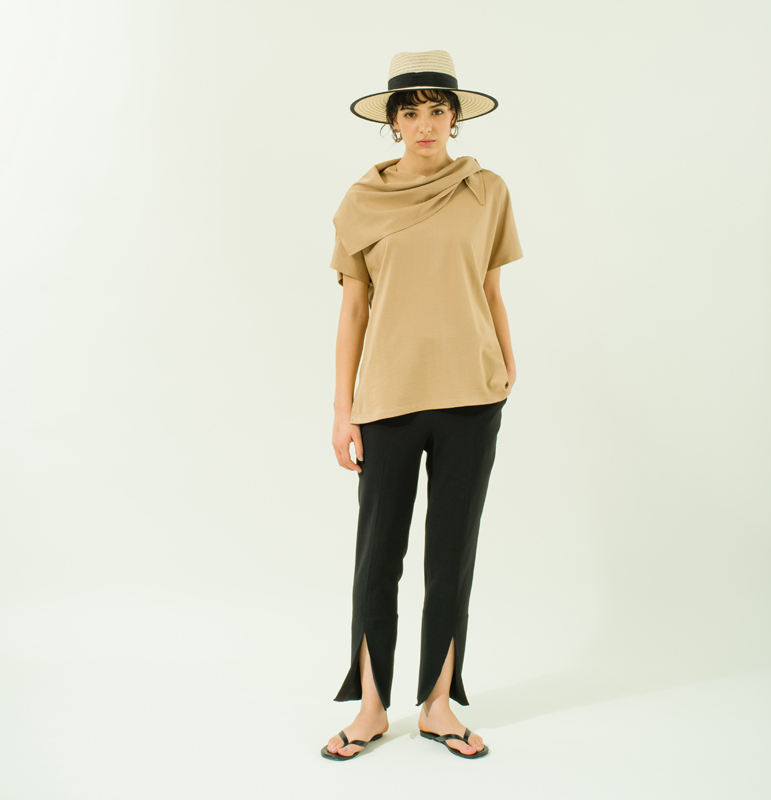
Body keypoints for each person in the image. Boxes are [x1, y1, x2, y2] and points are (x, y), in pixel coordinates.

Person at [321, 50, 523, 761]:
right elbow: (354, 310)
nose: (426, 124)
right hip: (388, 400)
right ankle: (371, 708)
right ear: (393, 122)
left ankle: (439, 706)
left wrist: (507, 365)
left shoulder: (487, 190)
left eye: (438, 110)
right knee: (378, 557)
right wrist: (343, 410)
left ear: (456, 118)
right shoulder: (361, 201)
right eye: (411, 112)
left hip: (472, 395)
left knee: (452, 557)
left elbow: (490, 289)